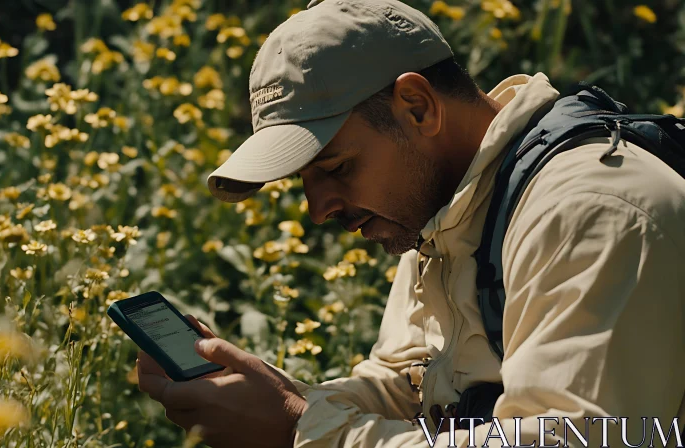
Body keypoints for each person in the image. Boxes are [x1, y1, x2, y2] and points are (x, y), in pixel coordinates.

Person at [136, 0, 685, 447]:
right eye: (303, 181)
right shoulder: (446, 210)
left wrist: (298, 427)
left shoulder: (590, 210)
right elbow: (412, 388)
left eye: (335, 168)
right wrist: (275, 396)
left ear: (418, 106)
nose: (319, 210)